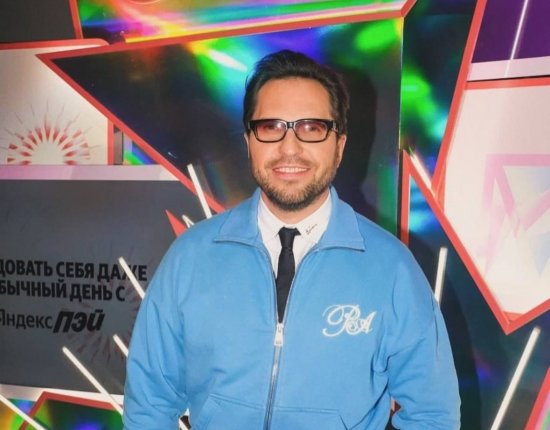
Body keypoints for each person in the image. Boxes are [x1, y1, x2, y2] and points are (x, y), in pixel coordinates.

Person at [123, 49, 460, 429]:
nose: (289, 147)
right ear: (249, 141)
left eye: (311, 128)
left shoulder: (391, 268)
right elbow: (148, 405)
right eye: (271, 127)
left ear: (339, 146)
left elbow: (433, 414)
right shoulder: (190, 257)